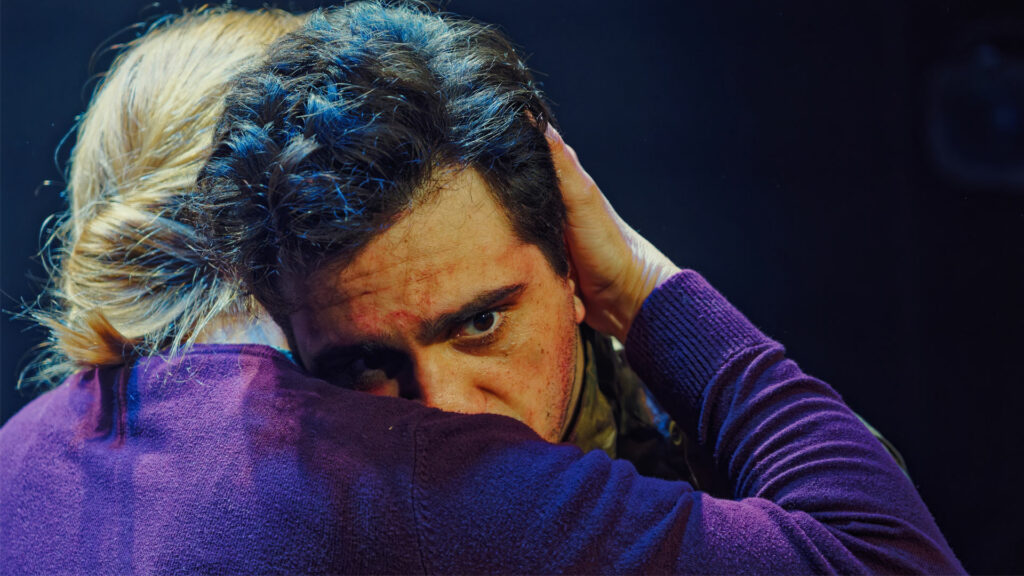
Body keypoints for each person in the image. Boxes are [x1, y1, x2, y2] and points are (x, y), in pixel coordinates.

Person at [0, 2, 963, 574]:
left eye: (482, 322)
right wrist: (648, 287)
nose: (444, 406)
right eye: (363, 361)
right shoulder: (381, 473)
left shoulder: (22, 461)